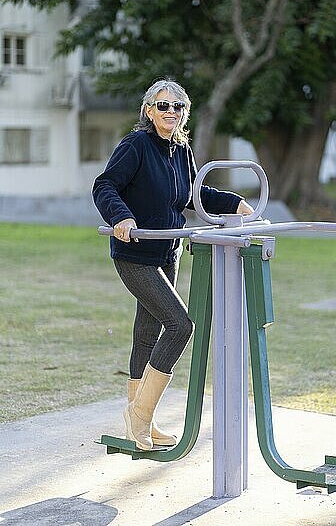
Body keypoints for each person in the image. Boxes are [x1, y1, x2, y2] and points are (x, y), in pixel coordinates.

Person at [92, 79, 254, 451]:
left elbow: (195, 195)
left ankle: (138, 417)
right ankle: (140, 415)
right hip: (136, 254)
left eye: (178, 107)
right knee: (181, 325)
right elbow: (105, 186)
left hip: (168, 253)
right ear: (149, 111)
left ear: (185, 113)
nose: (171, 113)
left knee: (147, 334)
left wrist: (235, 203)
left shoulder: (181, 149)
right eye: (163, 106)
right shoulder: (136, 145)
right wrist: (122, 218)